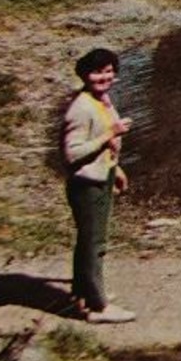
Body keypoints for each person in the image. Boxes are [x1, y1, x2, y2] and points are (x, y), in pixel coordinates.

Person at [62, 48, 137, 323]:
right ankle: (97, 307)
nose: (103, 77)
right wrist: (110, 134)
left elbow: (104, 146)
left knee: (92, 241)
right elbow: (71, 154)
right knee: (93, 243)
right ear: (84, 74)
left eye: (108, 72)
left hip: (101, 175)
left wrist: (115, 168)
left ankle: (83, 294)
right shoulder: (81, 109)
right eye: (97, 72)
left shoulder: (101, 100)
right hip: (86, 183)